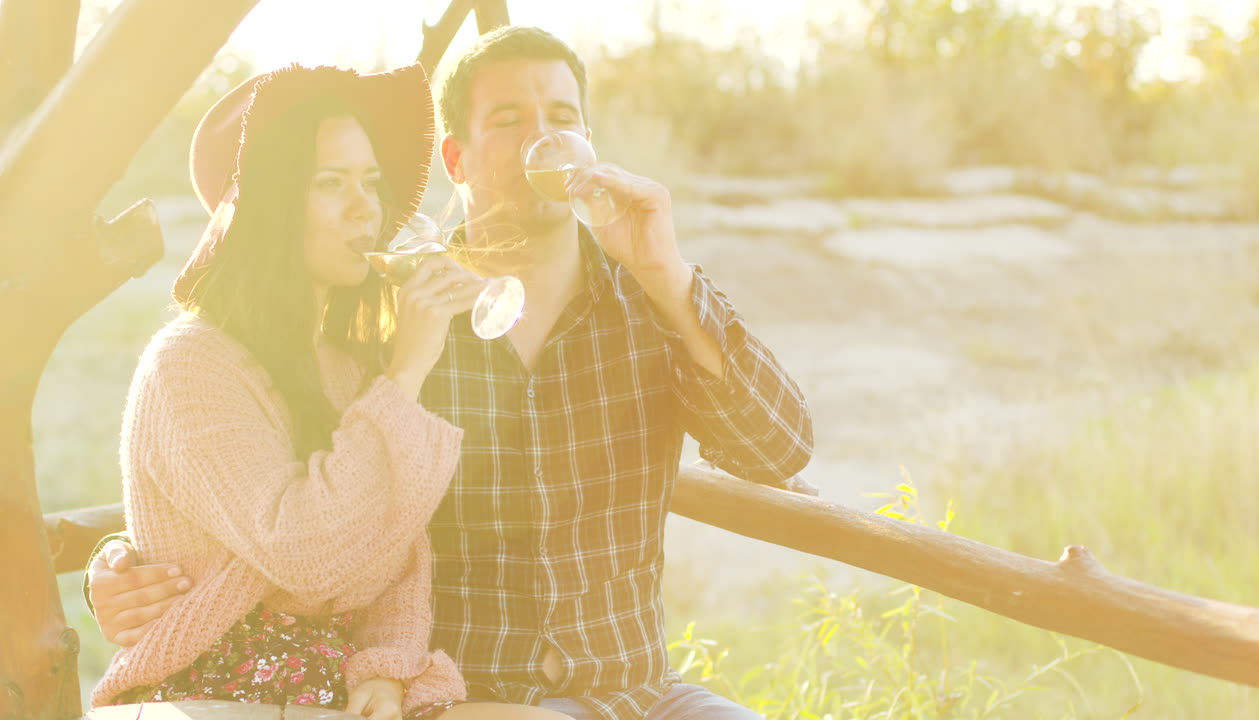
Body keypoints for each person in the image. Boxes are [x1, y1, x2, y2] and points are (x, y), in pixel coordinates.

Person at [89, 26, 814, 720]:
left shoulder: (651, 300)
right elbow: (261, 494)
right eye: (509, 119)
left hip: (638, 692)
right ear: (457, 160)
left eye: (562, 116)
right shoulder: (390, 322)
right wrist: (117, 562)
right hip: (462, 691)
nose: (542, 138)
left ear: (588, 144)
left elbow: (777, 452)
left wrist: (668, 275)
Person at [90, 61, 566, 720]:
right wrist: (407, 371)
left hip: (336, 688)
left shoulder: (345, 366)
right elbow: (307, 553)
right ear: (268, 206)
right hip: (215, 686)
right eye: (330, 182)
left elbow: (400, 555)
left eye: (371, 182)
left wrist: (385, 672)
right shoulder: (188, 364)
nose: (365, 206)